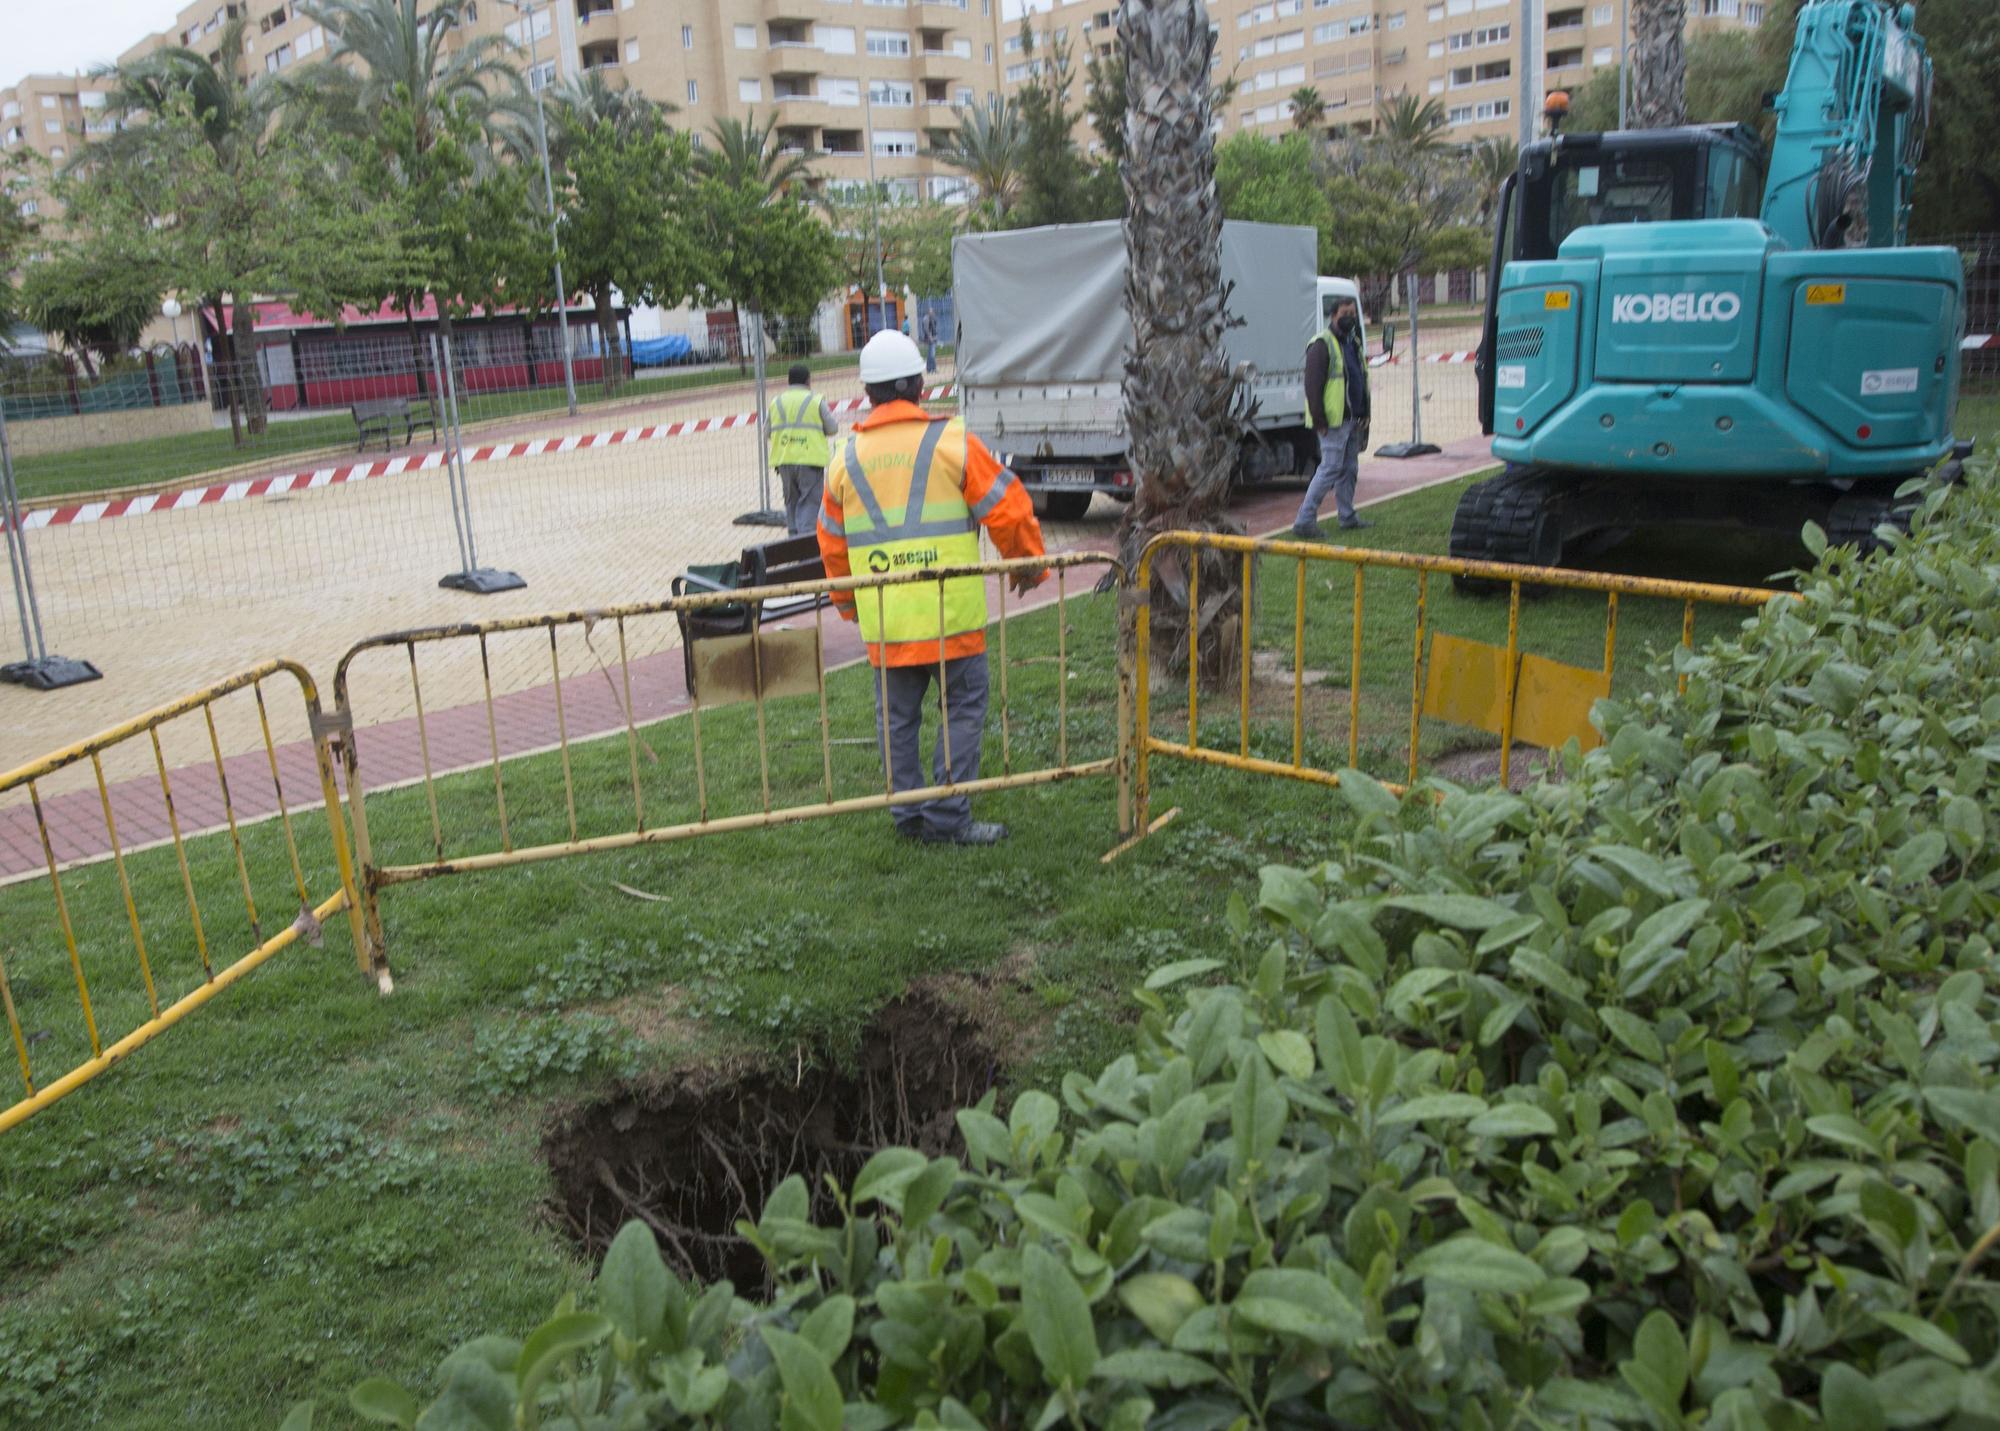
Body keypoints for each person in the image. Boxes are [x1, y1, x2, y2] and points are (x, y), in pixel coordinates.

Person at [817, 330, 1047, 846]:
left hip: (888, 624)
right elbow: (1009, 509)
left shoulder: (845, 461)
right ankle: (949, 820)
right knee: (961, 712)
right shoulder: (953, 445)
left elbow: (831, 544)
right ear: (919, 385)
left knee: (897, 723)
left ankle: (909, 818)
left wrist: (848, 603)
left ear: (869, 392)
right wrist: (1027, 565)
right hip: (954, 621)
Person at [1292, 298, 1372, 536]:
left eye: (1353, 313)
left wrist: (1365, 412)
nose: (1351, 317)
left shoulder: (1353, 343)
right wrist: (1319, 420)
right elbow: (1312, 386)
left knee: (1349, 469)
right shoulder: (1321, 344)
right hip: (1333, 422)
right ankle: (1304, 520)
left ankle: (1347, 516)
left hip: (1352, 419)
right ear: (1334, 315)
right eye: (1345, 313)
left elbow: (1361, 378)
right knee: (1329, 469)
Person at [767, 362, 840, 537]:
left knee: (791, 501)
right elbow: (832, 428)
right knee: (809, 503)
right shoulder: (814, 400)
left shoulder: (776, 402)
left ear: (789, 381)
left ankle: (793, 540)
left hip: (784, 460)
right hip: (810, 460)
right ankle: (806, 545)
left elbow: (767, 432)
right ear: (808, 381)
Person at [920, 307, 940, 374]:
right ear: (928, 312)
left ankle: (930, 369)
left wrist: (935, 337)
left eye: (933, 311)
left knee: (931, 354)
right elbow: (926, 329)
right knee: (931, 355)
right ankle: (932, 369)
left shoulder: (931, 318)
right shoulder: (926, 318)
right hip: (930, 339)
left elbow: (934, 328)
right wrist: (930, 337)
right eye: (931, 311)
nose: (933, 312)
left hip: (932, 338)